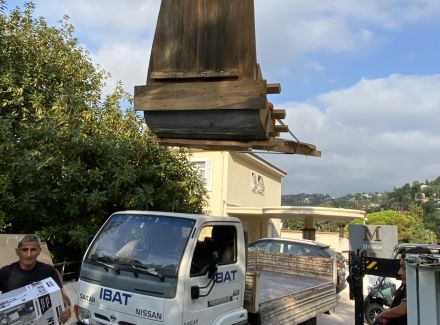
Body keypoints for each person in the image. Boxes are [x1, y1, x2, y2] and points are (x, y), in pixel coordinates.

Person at [0, 234, 72, 324]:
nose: (29, 254)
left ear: (39, 251)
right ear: (17, 251)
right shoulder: (5, 272)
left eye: (33, 249)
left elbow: (63, 297)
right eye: (24, 250)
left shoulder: (49, 271)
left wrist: (67, 307)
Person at [375, 246, 432, 325]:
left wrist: (381, 315)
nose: (399, 272)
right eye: (400, 267)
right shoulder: (407, 284)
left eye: (404, 268)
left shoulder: (415, 287)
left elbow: (401, 310)